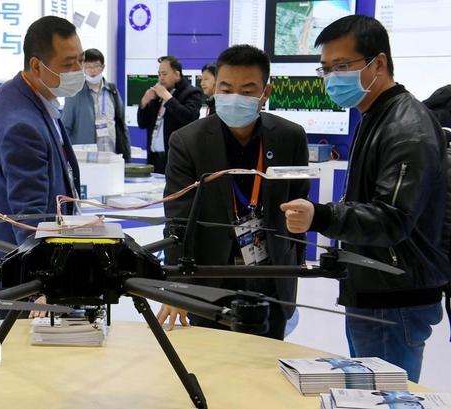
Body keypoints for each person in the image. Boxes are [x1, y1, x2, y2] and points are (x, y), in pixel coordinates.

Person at [280, 15, 449, 382]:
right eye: (326, 69)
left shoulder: (406, 127)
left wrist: (321, 216)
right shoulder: (377, 115)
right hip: (377, 287)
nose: (332, 78)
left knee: (385, 395)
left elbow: (392, 218)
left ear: (379, 63)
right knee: (370, 389)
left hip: (394, 296)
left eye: (342, 66)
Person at [158, 45, 310, 340]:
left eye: (247, 90)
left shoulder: (290, 137)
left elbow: (299, 208)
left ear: (265, 92)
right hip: (210, 278)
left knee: (266, 360)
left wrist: (297, 266)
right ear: (215, 88)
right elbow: (177, 220)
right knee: (210, 362)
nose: (235, 98)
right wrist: (176, 286)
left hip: (271, 278)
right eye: (226, 89)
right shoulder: (188, 141)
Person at [0, 16, 84, 298]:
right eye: (68, 64)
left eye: (81, 60)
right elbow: (29, 217)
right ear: (37, 66)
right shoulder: (21, 124)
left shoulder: (27, 96)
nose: (78, 70)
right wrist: (40, 289)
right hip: (25, 278)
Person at [61, 48, 131, 162]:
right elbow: (65, 127)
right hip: (86, 158)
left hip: (111, 156)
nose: (92, 70)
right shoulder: (75, 93)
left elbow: (121, 125)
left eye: (96, 66)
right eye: (88, 66)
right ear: (83, 68)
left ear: (102, 67)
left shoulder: (112, 91)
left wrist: (126, 155)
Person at [137, 55, 203, 174]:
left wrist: (167, 98)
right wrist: (144, 102)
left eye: (164, 74)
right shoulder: (158, 95)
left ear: (177, 75)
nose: (161, 78)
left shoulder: (192, 92)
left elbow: (189, 118)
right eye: (159, 74)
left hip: (176, 160)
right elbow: (142, 123)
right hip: (154, 158)